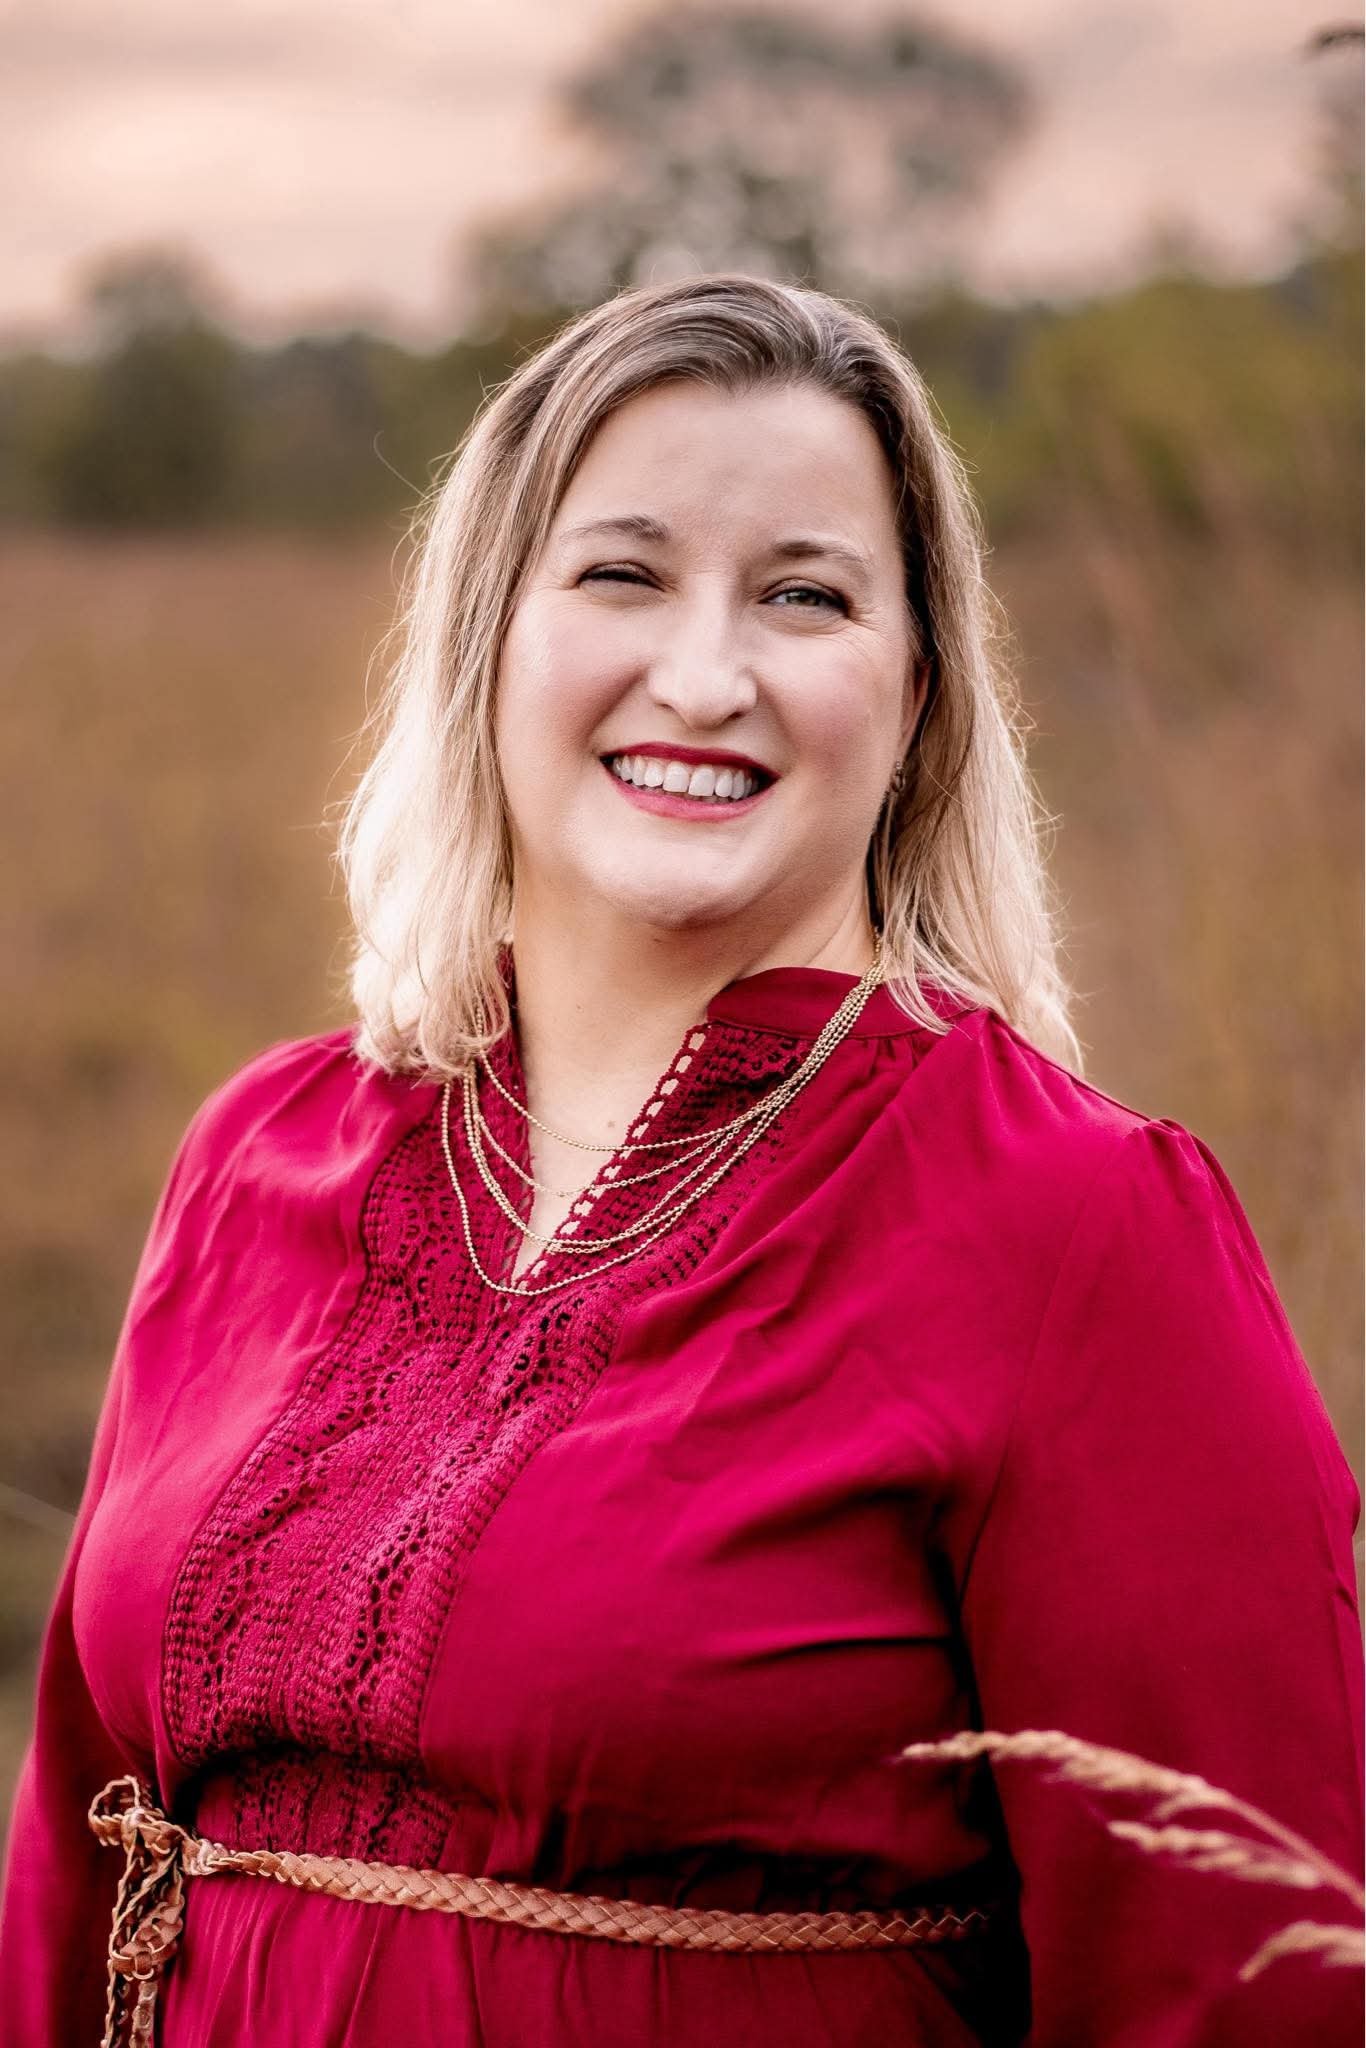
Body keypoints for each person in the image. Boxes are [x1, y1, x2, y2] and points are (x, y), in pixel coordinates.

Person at [0, 274, 1360, 2048]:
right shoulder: (261, 1149)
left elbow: (1230, 1991)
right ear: (486, 636)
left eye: (805, 596)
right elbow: (77, 1846)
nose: (705, 676)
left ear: (918, 690)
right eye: (621, 574)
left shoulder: (1078, 1229)